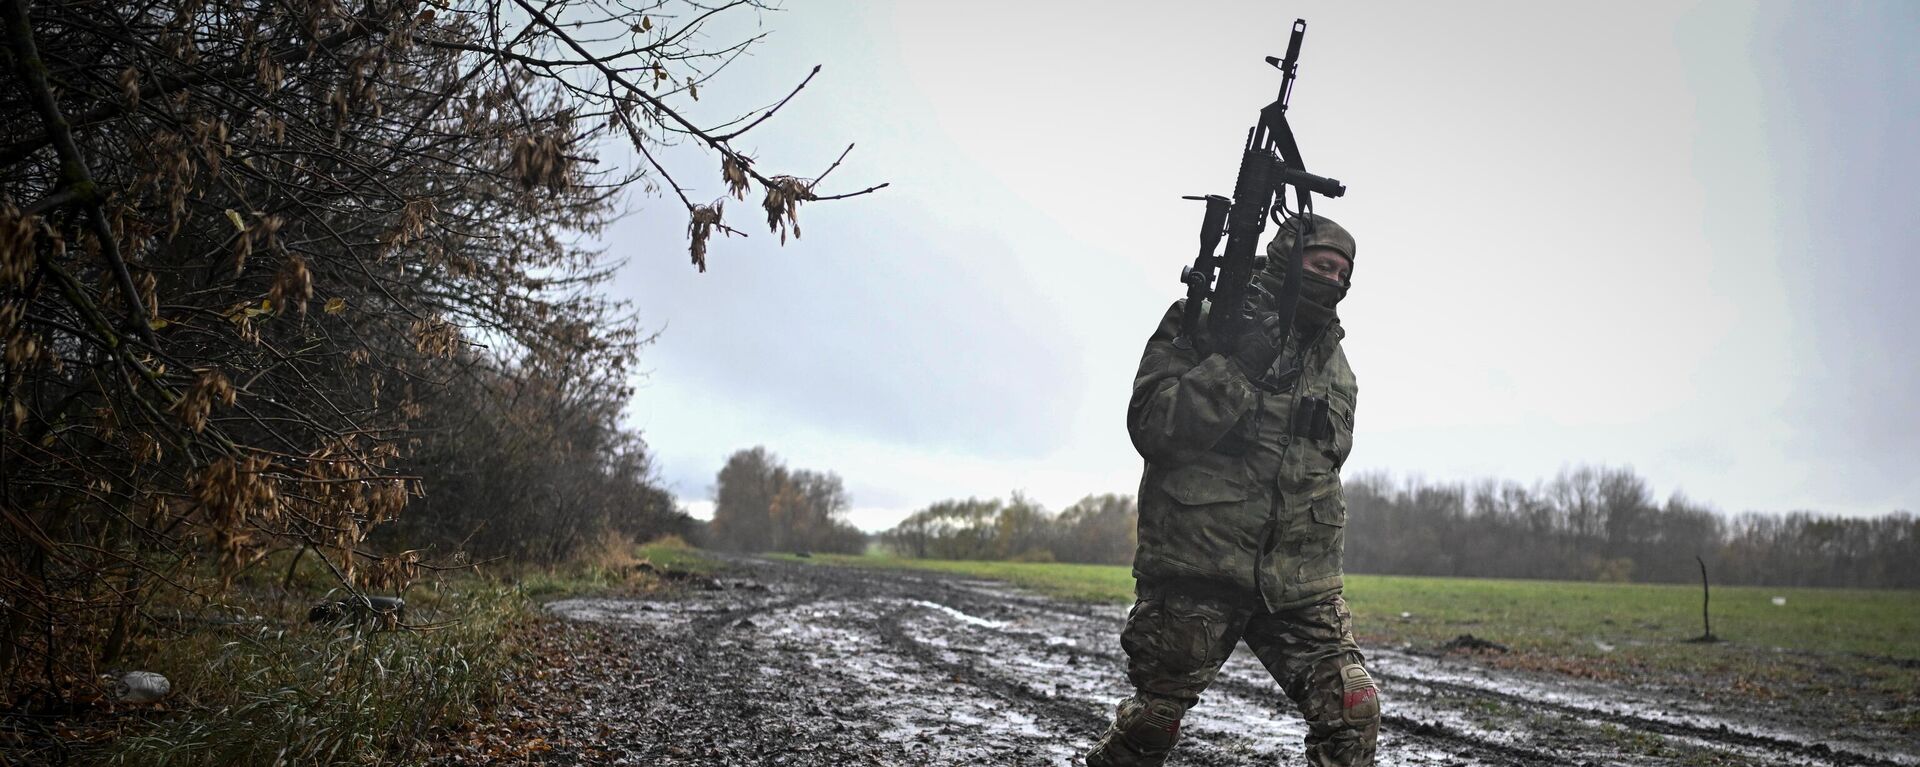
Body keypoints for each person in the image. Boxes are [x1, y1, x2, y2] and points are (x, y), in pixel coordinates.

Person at [1086, 213, 1378, 767]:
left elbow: (1325, 461)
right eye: (1322, 266)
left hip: (1299, 582)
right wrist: (1236, 367)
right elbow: (1152, 425)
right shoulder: (1205, 322)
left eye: (1344, 274)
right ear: (1289, 261)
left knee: (1353, 709)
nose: (1334, 282)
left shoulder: (1334, 360)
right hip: (1200, 565)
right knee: (1152, 724)